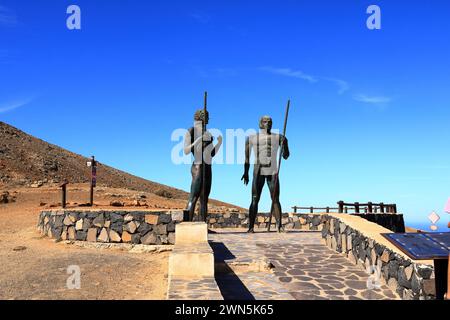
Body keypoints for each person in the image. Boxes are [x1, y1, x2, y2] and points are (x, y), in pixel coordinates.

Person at [241, 115, 290, 233]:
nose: (267, 123)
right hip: (258, 169)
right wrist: (246, 172)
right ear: (260, 123)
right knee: (254, 198)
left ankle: (279, 226)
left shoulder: (279, 137)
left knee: (275, 198)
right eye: (265, 121)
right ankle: (251, 227)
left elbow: (286, 156)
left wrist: (284, 146)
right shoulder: (251, 138)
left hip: (272, 170)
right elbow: (246, 158)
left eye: (269, 121)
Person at [184, 109, 222, 222]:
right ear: (201, 117)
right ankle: (187, 224)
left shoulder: (208, 133)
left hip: (208, 167)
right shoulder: (191, 130)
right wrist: (198, 141)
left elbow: (212, 153)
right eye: (207, 116)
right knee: (193, 196)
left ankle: (203, 225)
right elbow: (186, 150)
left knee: (204, 199)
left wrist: (219, 143)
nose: (209, 119)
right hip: (198, 166)